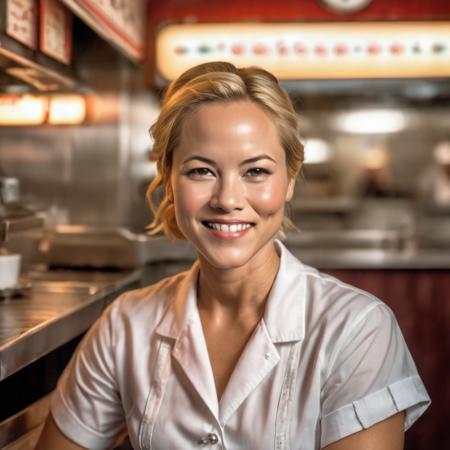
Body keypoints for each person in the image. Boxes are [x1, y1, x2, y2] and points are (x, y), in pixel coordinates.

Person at [36, 62, 430, 450]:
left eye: (255, 171)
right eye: (201, 171)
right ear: (169, 180)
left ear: (290, 180)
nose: (227, 200)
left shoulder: (356, 328)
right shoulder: (125, 324)